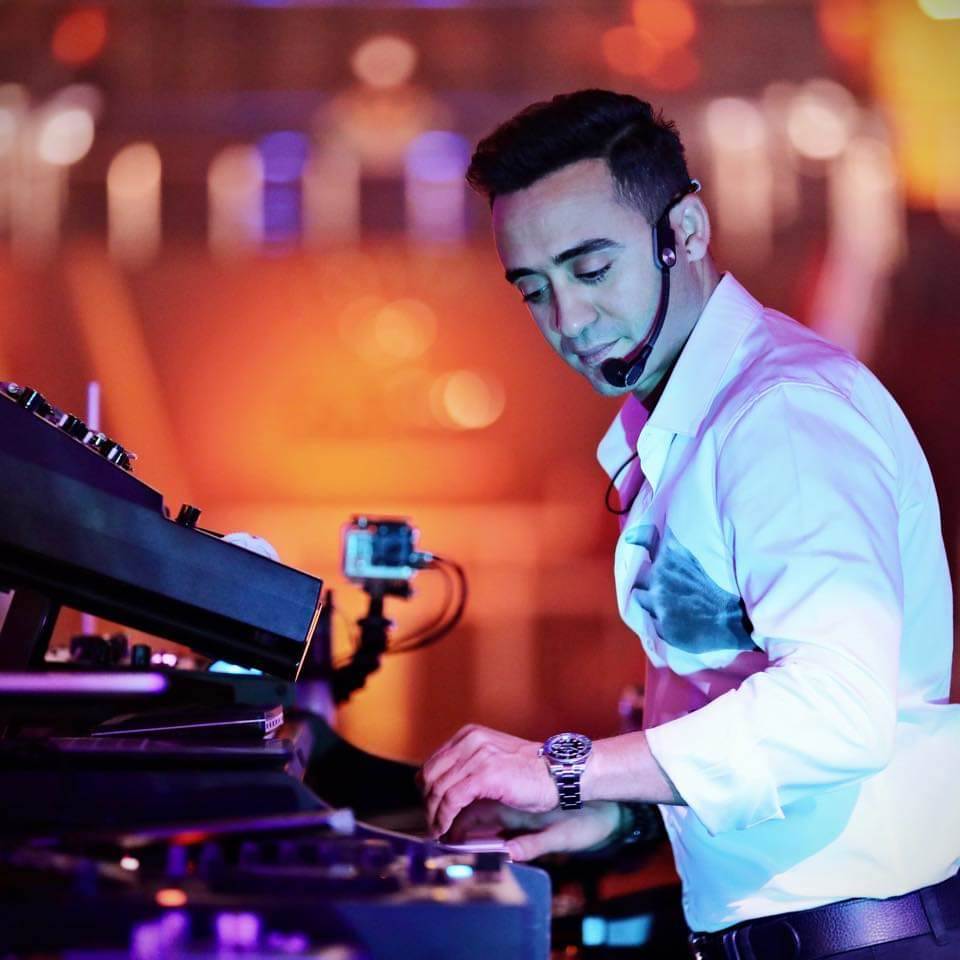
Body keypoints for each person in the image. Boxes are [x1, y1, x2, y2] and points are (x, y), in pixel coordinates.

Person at [419, 89, 960, 959]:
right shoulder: (692, 418)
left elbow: (837, 711)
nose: (568, 321)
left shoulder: (782, 414)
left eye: (592, 270)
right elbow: (745, 721)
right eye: (535, 290)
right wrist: (617, 812)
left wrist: (564, 768)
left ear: (688, 231)